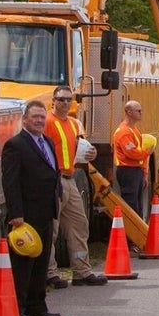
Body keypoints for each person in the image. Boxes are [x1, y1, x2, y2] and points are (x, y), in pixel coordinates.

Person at [2, 100, 61, 316]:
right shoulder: (15, 145)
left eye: (42, 117)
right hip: (25, 216)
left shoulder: (47, 141)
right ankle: (19, 308)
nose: (39, 121)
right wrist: (16, 213)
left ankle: (38, 305)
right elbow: (10, 182)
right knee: (23, 265)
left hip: (46, 212)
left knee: (42, 261)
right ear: (25, 119)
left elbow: (53, 172)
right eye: (35, 117)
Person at [45, 86, 107, 289]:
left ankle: (82, 271)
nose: (64, 103)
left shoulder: (73, 124)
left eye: (68, 99)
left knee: (79, 226)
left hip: (70, 178)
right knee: (51, 229)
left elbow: (79, 150)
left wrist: (91, 153)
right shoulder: (47, 122)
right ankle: (49, 273)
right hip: (53, 180)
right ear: (53, 100)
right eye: (61, 99)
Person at [113, 101, 151, 214]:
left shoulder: (134, 130)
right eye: (138, 111)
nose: (141, 113)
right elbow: (131, 153)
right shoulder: (124, 132)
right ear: (129, 112)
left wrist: (144, 173)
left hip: (135, 170)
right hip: (128, 171)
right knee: (131, 204)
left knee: (137, 205)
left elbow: (137, 151)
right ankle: (129, 230)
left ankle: (136, 229)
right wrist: (147, 153)